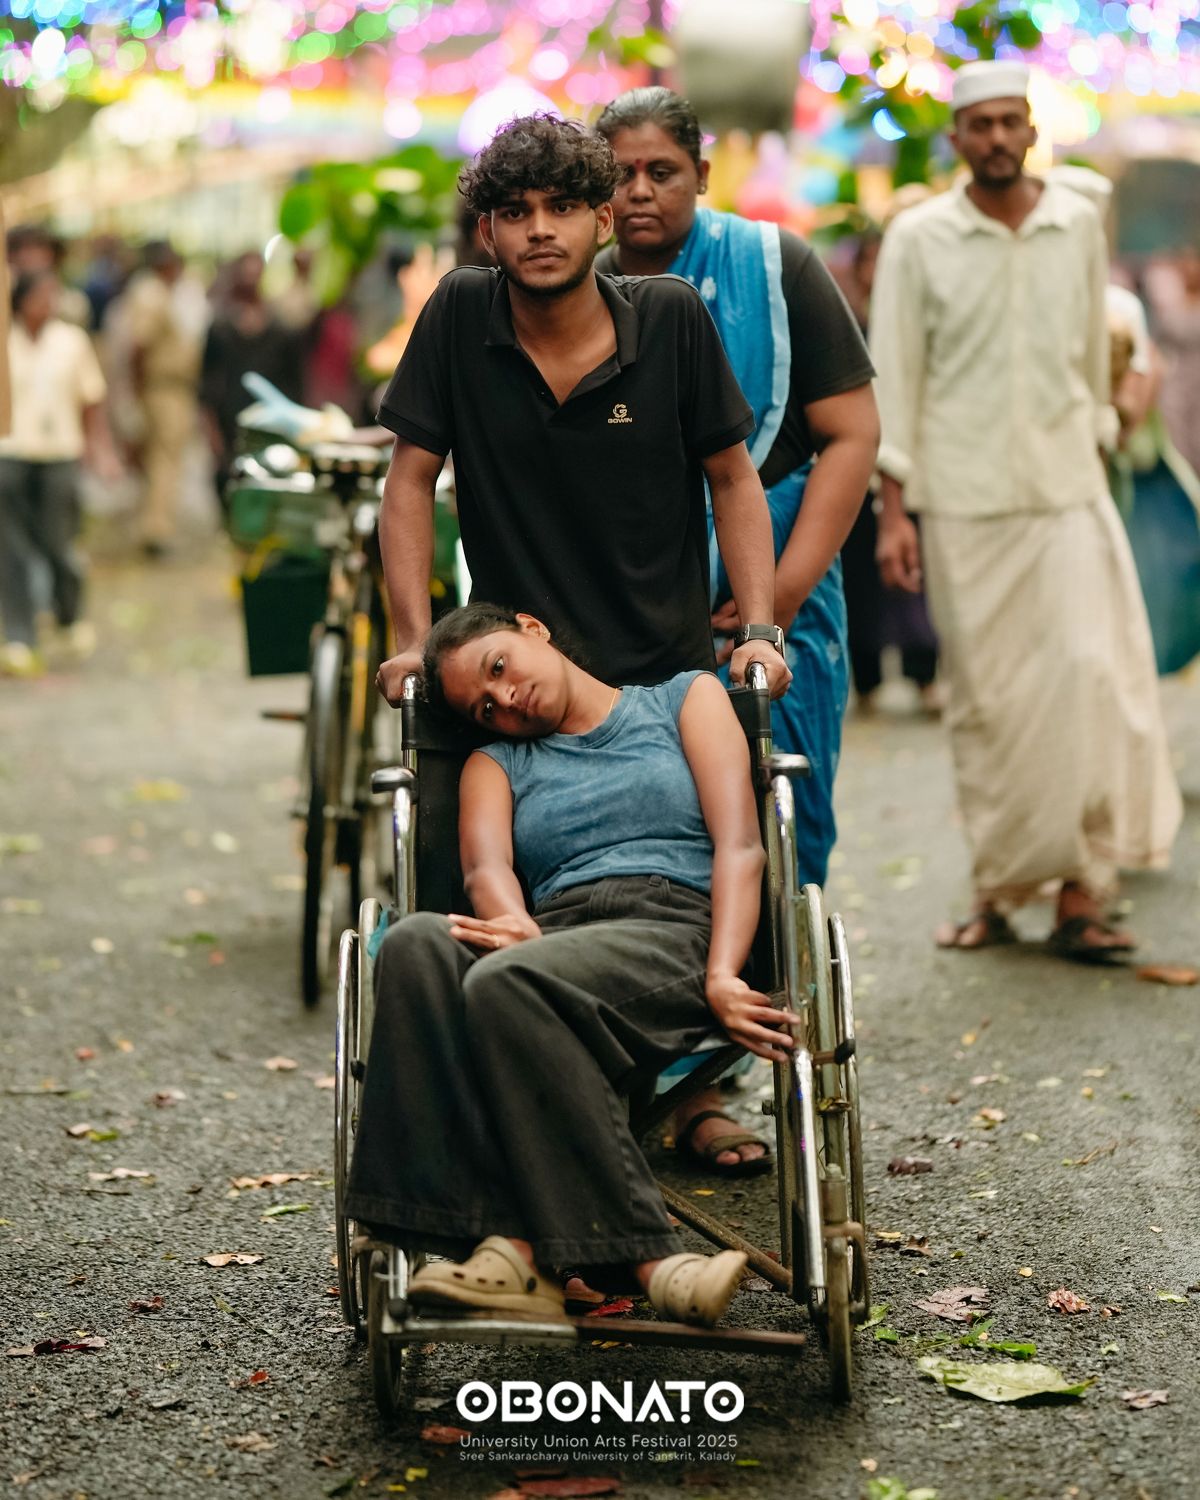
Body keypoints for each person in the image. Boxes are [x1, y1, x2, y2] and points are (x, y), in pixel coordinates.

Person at [346, 603, 799, 1325]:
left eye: (499, 669)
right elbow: (486, 867)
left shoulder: (686, 699)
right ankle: (495, 1244)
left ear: (533, 629)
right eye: (483, 708)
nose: (504, 701)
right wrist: (516, 922)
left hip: (671, 927)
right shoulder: (495, 763)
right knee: (414, 944)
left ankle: (591, 1256)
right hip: (553, 939)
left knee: (507, 980)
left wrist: (722, 974)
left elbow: (741, 846)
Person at [594, 87, 877, 1172]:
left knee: (780, 819)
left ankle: (720, 1077)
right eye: (616, 173)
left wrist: (784, 594)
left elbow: (851, 433)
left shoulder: (775, 268)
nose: (636, 192)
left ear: (699, 176)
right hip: (631, 593)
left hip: (782, 577)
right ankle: (648, 1080)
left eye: (659, 170)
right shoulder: (571, 276)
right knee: (642, 824)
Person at [870, 59, 1181, 961]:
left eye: (1012, 122)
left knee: (1089, 679)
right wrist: (895, 514)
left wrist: (1109, 422)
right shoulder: (921, 237)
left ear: (1031, 129)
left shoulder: (1078, 221)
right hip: (962, 504)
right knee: (990, 704)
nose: (998, 138)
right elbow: (897, 377)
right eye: (982, 125)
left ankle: (1086, 890)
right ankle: (1001, 890)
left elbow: (1093, 357)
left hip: (1067, 492)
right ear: (958, 138)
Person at [373, 114, 789, 706]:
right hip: (512, 683)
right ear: (489, 233)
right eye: (516, 212)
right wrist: (413, 641)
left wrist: (758, 633)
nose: (540, 230)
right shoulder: (459, 313)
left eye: (562, 207)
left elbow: (732, 477)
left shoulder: (671, 317)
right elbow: (410, 481)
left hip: (664, 682)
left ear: (601, 222)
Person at [836, 229, 940, 713]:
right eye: (871, 261)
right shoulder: (844, 325)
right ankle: (870, 682)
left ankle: (925, 675)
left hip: (912, 467)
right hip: (856, 470)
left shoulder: (920, 326)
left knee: (919, 574)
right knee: (859, 578)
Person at [0, 270, 121, 676]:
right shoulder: (5, 340)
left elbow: (92, 398)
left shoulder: (70, 342)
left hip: (60, 452)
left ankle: (68, 615)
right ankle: (20, 635)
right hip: (12, 452)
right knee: (11, 549)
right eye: (39, 297)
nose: (47, 305)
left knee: (59, 541)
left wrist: (99, 449)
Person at [199, 251, 305, 512]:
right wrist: (210, 428)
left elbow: (293, 381)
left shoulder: (280, 329)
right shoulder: (221, 328)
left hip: (270, 426)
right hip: (230, 423)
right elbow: (207, 384)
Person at [122, 241, 209, 556]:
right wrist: (137, 390)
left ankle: (153, 525)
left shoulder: (157, 293)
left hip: (165, 387)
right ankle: (156, 530)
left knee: (160, 458)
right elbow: (138, 347)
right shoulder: (152, 294)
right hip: (163, 388)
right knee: (166, 459)